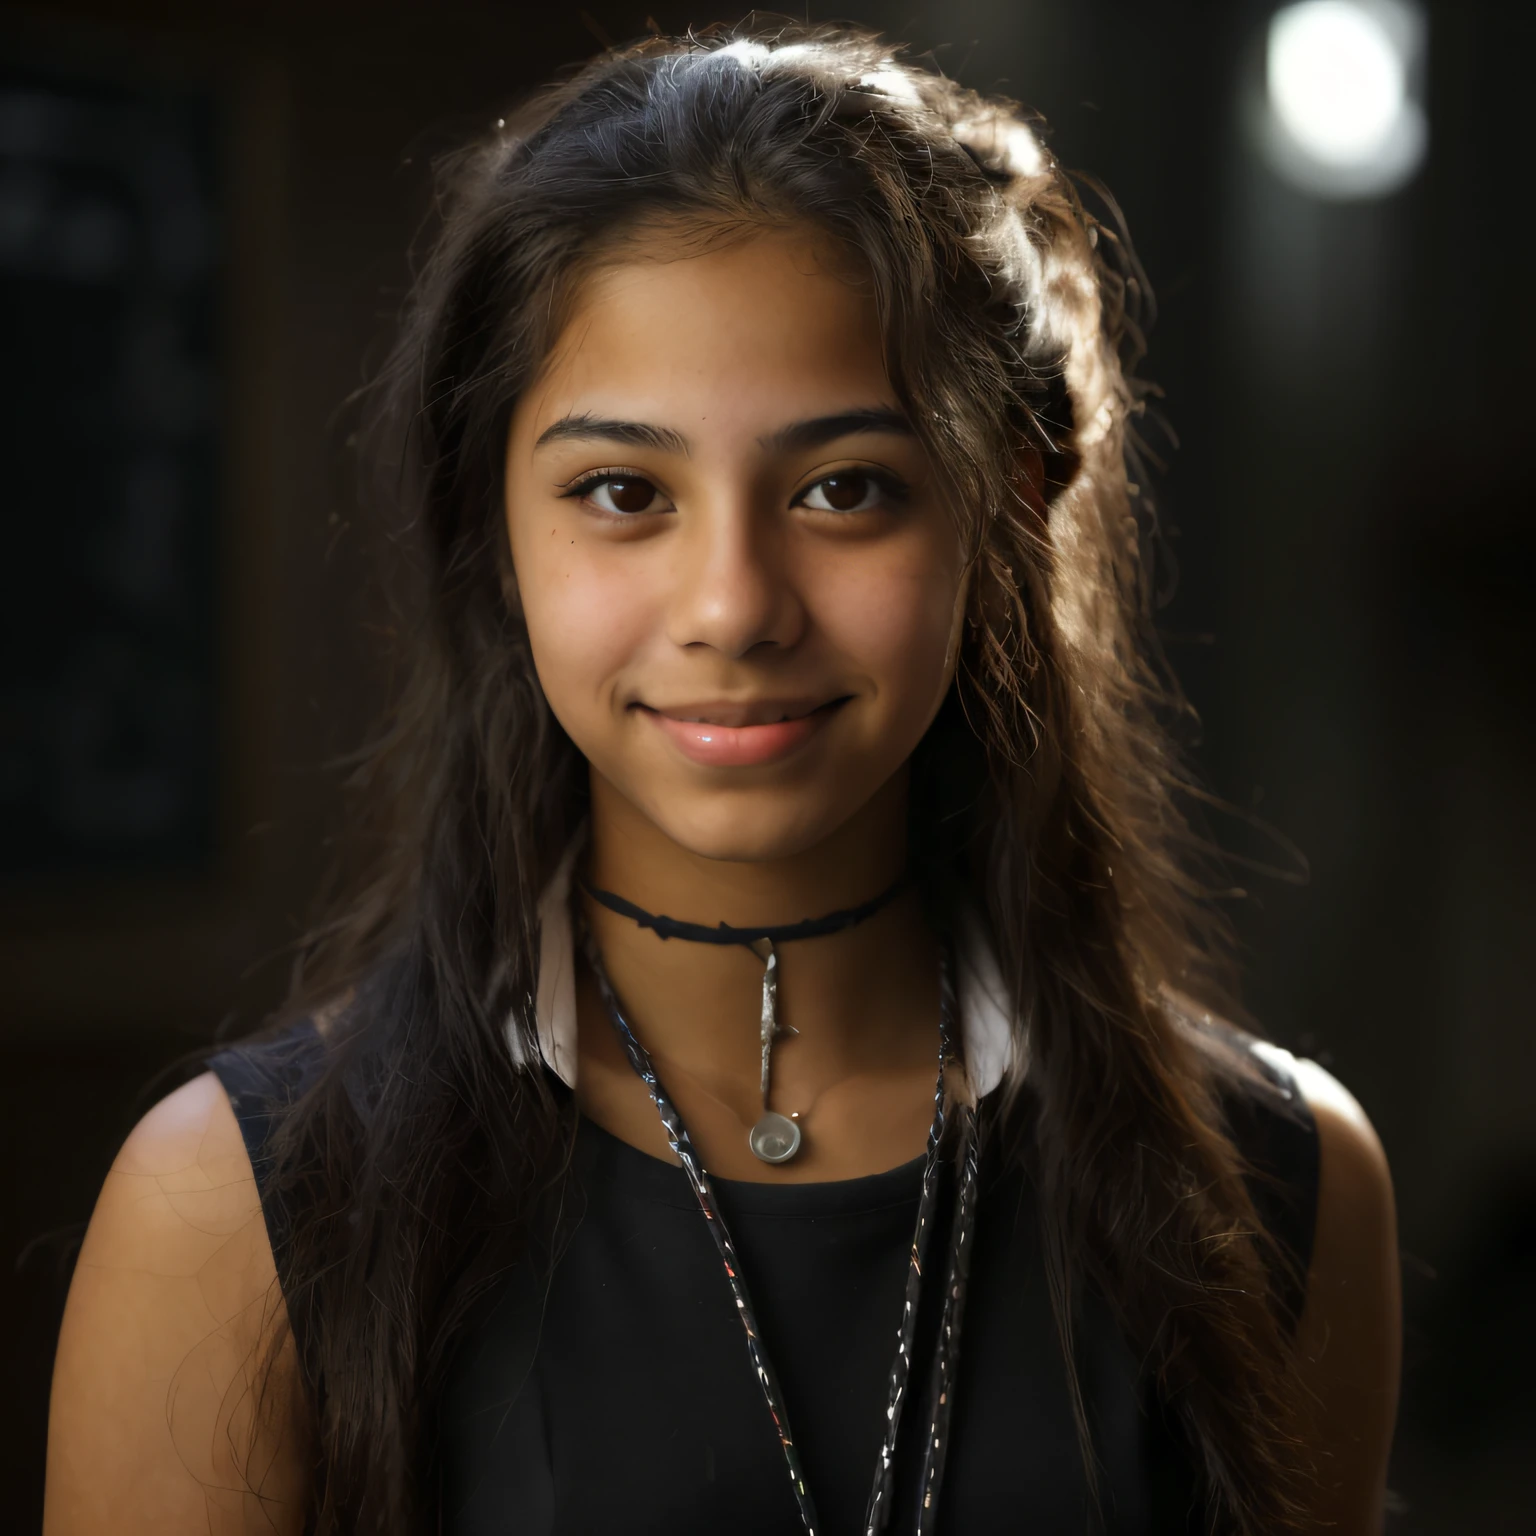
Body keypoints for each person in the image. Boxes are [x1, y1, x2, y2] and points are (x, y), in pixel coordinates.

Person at [43, 23, 1400, 1536]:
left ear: (1006, 506)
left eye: (845, 489)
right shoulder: (236, 1207)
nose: (735, 605)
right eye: (622, 493)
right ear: (492, 523)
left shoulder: (1283, 1187)